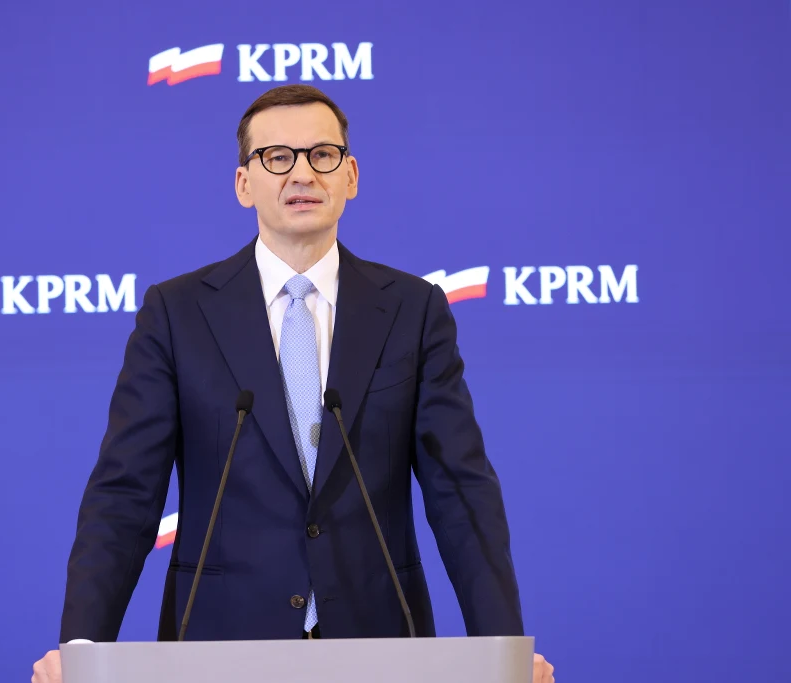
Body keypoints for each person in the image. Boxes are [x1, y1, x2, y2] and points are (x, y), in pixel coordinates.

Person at [33, 84, 555, 683]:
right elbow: (125, 493)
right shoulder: (177, 314)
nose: (302, 173)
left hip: (380, 643)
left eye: (322, 155)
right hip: (219, 646)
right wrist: (83, 647)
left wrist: (502, 649)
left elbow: (460, 491)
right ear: (243, 183)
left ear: (350, 176)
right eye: (277, 157)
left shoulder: (413, 310)